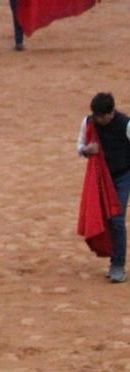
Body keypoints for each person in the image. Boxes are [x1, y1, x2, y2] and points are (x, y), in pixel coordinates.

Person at [80, 92, 130, 283]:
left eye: (101, 116)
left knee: (116, 219)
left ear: (110, 113)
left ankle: (118, 264)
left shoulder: (126, 125)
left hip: (124, 175)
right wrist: (87, 150)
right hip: (102, 177)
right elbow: (80, 146)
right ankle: (113, 260)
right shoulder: (89, 123)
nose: (98, 120)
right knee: (106, 218)